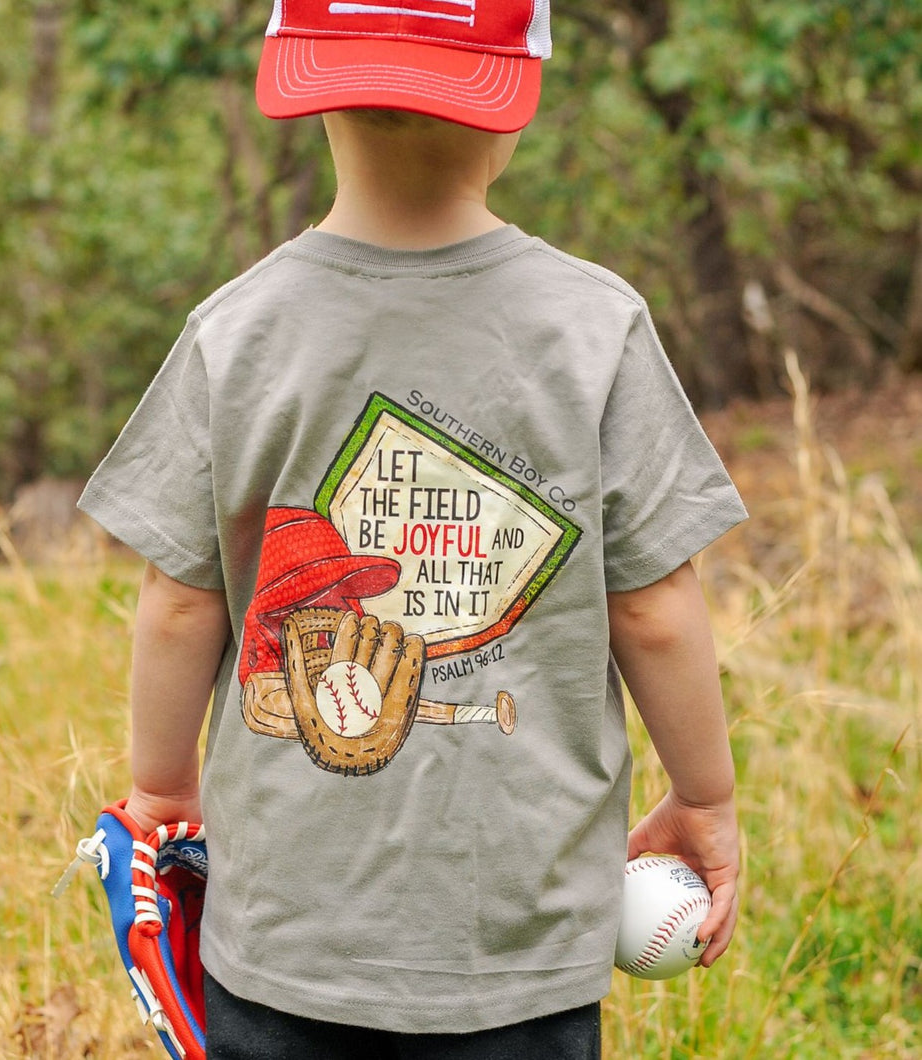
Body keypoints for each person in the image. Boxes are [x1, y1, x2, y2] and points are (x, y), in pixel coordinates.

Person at [78, 2, 745, 1056]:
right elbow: (656, 608)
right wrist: (702, 794)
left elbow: (177, 601)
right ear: (511, 105)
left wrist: (162, 791)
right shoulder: (594, 326)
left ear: (310, 94)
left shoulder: (235, 330)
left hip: (282, 937)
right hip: (518, 949)